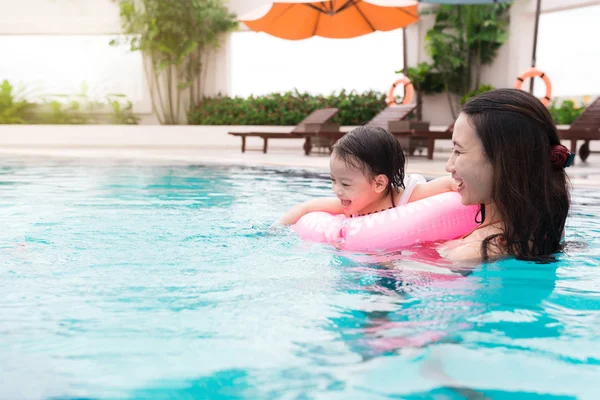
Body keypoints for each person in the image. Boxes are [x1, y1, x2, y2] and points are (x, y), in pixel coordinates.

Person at [440, 88, 572, 262]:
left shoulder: (472, 254)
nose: (449, 166)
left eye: (458, 151)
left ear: (503, 162)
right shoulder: (547, 230)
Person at [279, 125, 456, 225]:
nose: (336, 190)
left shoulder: (405, 197)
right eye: (333, 180)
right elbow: (306, 207)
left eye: (345, 184)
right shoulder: (350, 205)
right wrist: (274, 230)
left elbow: (448, 184)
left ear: (379, 184)